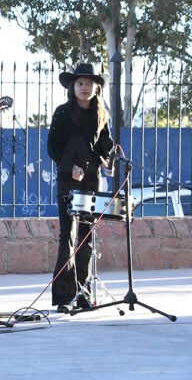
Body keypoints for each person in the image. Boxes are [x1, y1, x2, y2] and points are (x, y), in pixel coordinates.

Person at [47, 63, 114, 313]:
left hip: (91, 182)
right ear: (72, 87)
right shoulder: (62, 113)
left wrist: (108, 161)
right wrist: (70, 168)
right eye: (80, 83)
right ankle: (65, 297)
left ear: (96, 87)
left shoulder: (101, 114)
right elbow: (53, 147)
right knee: (69, 237)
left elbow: (106, 144)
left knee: (86, 238)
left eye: (89, 83)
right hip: (67, 182)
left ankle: (84, 294)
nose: (84, 87)